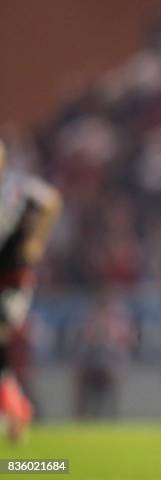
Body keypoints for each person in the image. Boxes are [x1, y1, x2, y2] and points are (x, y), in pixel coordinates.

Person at [0, 139, 62, 441]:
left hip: (12, 281)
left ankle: (16, 409)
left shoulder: (18, 187)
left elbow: (51, 201)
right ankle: (17, 410)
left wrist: (37, 240)